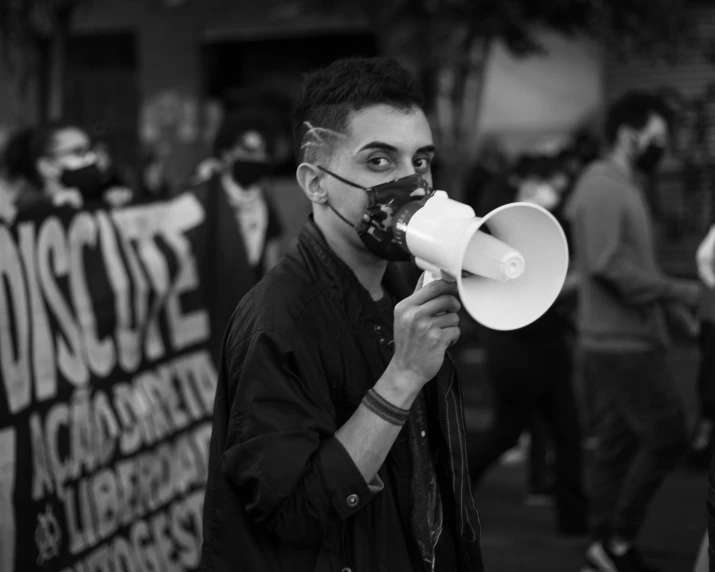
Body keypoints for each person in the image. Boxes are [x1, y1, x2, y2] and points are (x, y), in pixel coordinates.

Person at [199, 57, 483, 572]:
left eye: (421, 161)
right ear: (315, 183)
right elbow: (292, 515)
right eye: (379, 161)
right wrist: (402, 377)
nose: (411, 182)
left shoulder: (405, 287)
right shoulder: (278, 319)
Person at [566, 91, 701, 572]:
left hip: (627, 338)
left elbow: (633, 265)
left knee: (618, 446)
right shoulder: (603, 185)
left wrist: (672, 309)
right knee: (667, 438)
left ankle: (605, 544)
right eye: (658, 139)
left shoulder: (623, 184)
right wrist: (680, 292)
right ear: (629, 135)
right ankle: (616, 539)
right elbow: (606, 264)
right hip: (619, 344)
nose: (662, 149)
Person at [469, 154, 588, 536]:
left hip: (550, 344)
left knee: (568, 433)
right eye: (550, 184)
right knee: (506, 432)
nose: (556, 192)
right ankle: (450, 495)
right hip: (512, 348)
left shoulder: (559, 225)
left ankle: (574, 522)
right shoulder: (495, 224)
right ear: (529, 184)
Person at [199, 112, 284, 284]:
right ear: (226, 153)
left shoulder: (264, 202)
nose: (255, 158)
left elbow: (271, 259)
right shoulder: (208, 195)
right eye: (248, 150)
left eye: (262, 152)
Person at [22, 121, 132, 210]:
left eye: (90, 149)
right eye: (78, 152)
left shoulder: (96, 198)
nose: (92, 157)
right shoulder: (26, 210)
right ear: (47, 166)